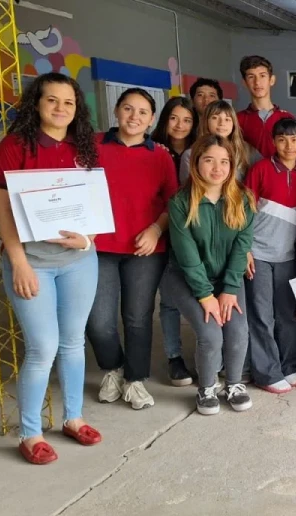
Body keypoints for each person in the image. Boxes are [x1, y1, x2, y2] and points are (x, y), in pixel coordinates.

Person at [0, 73, 102, 464]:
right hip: (32, 262)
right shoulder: (14, 146)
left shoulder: (85, 146)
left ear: (77, 108)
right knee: (42, 348)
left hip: (79, 263)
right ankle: (30, 433)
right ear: (36, 103)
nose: (60, 108)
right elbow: (3, 211)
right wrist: (18, 261)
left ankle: (73, 418)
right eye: (52, 100)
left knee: (73, 342)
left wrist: (87, 241)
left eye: (68, 102)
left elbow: (93, 207)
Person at [87, 88, 179, 411]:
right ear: (116, 111)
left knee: (138, 318)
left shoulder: (161, 156)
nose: (134, 117)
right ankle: (112, 368)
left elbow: (173, 202)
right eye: (128, 109)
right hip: (99, 247)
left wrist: (156, 229)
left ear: (152, 119)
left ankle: (135, 379)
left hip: (146, 249)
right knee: (98, 320)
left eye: (142, 112)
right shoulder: (93, 146)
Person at [162, 135, 256, 416]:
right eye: (209, 160)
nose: (217, 168)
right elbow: (187, 255)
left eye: (224, 161)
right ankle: (207, 387)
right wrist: (205, 296)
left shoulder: (243, 200)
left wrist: (228, 289)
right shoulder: (180, 202)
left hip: (227, 278)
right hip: (186, 279)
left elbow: (242, 247)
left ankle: (235, 384)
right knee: (211, 333)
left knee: (238, 330)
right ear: (195, 163)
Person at [243, 118, 296, 394]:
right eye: (282, 139)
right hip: (258, 253)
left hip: (287, 256)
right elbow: (244, 211)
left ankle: (288, 365)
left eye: (295, 139)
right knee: (261, 315)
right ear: (273, 142)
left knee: (287, 314)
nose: (289, 145)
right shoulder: (259, 169)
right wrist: (244, 248)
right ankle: (266, 372)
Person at [151, 96, 198, 386]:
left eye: (187, 119)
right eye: (174, 118)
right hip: (158, 231)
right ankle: (174, 357)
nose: (180, 125)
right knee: (168, 300)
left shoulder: (201, 151)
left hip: (193, 234)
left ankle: (206, 352)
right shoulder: (154, 150)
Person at [236, 55, 296, 162]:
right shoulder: (237, 119)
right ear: (244, 83)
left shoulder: (287, 117)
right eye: (251, 77)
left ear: (272, 80)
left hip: (280, 176)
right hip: (249, 176)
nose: (257, 82)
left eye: (262, 76)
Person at [180, 100, 260, 183]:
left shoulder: (247, 150)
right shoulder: (190, 155)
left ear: (234, 124)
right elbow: (188, 190)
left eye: (227, 119)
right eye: (215, 118)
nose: (221, 123)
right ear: (206, 122)